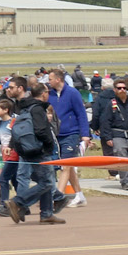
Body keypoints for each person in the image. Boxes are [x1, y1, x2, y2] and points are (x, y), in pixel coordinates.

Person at [9, 77, 62, 224]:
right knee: (47, 183)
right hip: (39, 150)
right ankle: (18, 202)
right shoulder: (38, 109)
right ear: (43, 93)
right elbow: (40, 130)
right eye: (47, 91)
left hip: (27, 149)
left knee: (43, 181)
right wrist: (49, 144)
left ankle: (46, 214)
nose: (48, 94)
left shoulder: (25, 107)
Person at [47, 68, 91, 210]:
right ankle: (79, 195)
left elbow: (81, 114)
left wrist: (85, 134)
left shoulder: (73, 93)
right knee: (69, 166)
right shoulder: (49, 94)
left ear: (58, 79)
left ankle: (58, 197)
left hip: (71, 134)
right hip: (55, 135)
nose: (48, 82)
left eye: (50, 79)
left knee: (65, 165)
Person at [99, 79, 128, 189]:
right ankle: (125, 181)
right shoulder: (111, 104)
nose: (122, 90)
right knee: (122, 158)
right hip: (118, 135)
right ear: (115, 90)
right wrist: (108, 137)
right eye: (119, 88)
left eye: (124, 88)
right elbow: (105, 122)